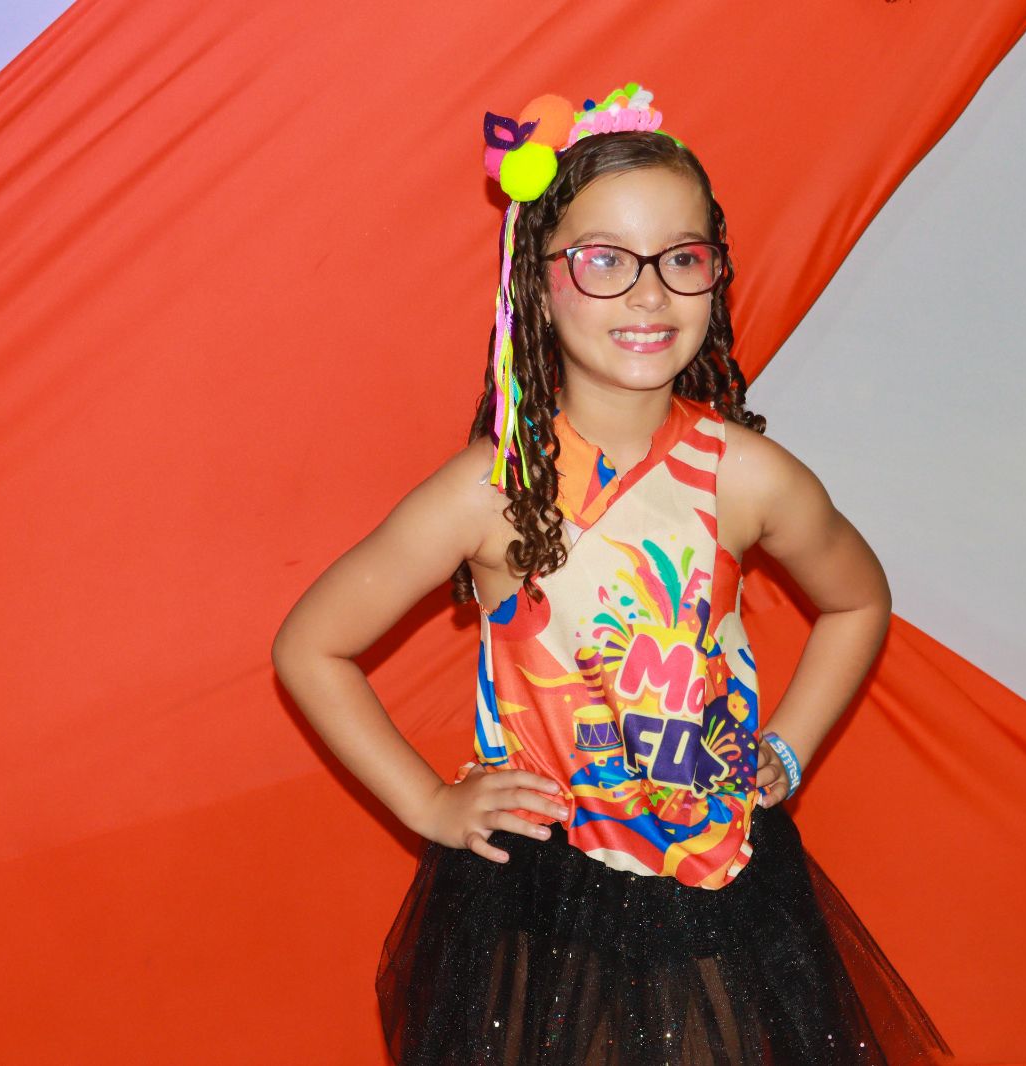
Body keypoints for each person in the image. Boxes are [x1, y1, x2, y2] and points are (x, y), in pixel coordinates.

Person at [271, 82, 952, 1065]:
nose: (648, 294)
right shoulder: (488, 494)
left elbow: (858, 599)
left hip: (716, 881)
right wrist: (428, 805)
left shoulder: (749, 477)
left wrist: (790, 749)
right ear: (535, 283)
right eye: (604, 260)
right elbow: (310, 646)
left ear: (715, 274)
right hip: (541, 892)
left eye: (681, 258)